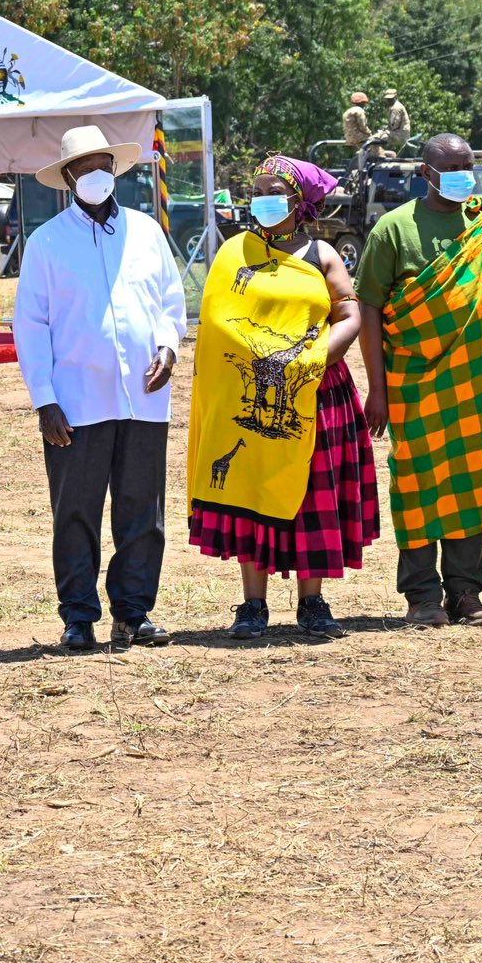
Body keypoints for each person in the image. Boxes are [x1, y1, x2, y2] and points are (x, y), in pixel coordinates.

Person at [189, 157, 378, 641]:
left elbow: (350, 316)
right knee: (251, 484)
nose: (263, 200)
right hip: (247, 394)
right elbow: (218, 322)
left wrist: (311, 363)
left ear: (299, 202)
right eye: (257, 191)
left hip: (315, 391)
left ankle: (312, 603)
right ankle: (252, 605)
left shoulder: (323, 255)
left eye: (274, 191)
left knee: (312, 496)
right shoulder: (234, 253)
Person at [15, 124, 188, 652]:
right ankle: (78, 615)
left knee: (143, 510)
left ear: (115, 171)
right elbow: (31, 325)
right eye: (83, 169)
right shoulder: (46, 242)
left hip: (143, 395)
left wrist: (168, 347)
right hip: (75, 401)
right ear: (66, 179)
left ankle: (133, 612)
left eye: (102, 166)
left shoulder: (146, 231)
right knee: (75, 511)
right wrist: (44, 399)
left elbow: (169, 302)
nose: (95, 176)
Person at [356, 133, 482, 627]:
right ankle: (421, 595)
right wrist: (377, 388)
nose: (462, 174)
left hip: (480, 387)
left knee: (469, 484)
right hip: (413, 386)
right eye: (451, 166)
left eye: (467, 165)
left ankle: (466, 592)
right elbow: (369, 307)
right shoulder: (393, 230)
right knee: (416, 484)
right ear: (426, 174)